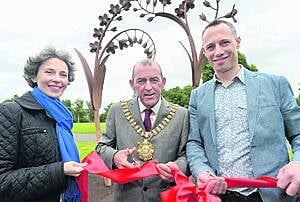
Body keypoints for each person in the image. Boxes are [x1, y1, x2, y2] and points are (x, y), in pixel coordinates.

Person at [186, 19, 300, 202]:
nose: (218, 51)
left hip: (272, 194)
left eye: (224, 42)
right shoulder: (198, 97)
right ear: (204, 51)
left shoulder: (275, 85)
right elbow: (194, 143)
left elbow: (298, 133)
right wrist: (203, 171)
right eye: (211, 46)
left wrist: (298, 163)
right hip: (220, 195)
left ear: (237, 41)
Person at [0, 47, 87, 202]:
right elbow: (3, 181)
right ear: (34, 76)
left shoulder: (63, 118)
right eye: (49, 72)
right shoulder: (11, 112)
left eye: (63, 75)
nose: (57, 79)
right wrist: (60, 171)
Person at [96, 59, 189, 202]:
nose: (148, 87)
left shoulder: (182, 115)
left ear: (163, 82)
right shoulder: (117, 111)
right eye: (140, 81)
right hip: (126, 197)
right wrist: (114, 157)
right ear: (132, 84)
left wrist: (177, 168)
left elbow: (187, 155)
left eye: (154, 80)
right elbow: (101, 147)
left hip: (166, 197)